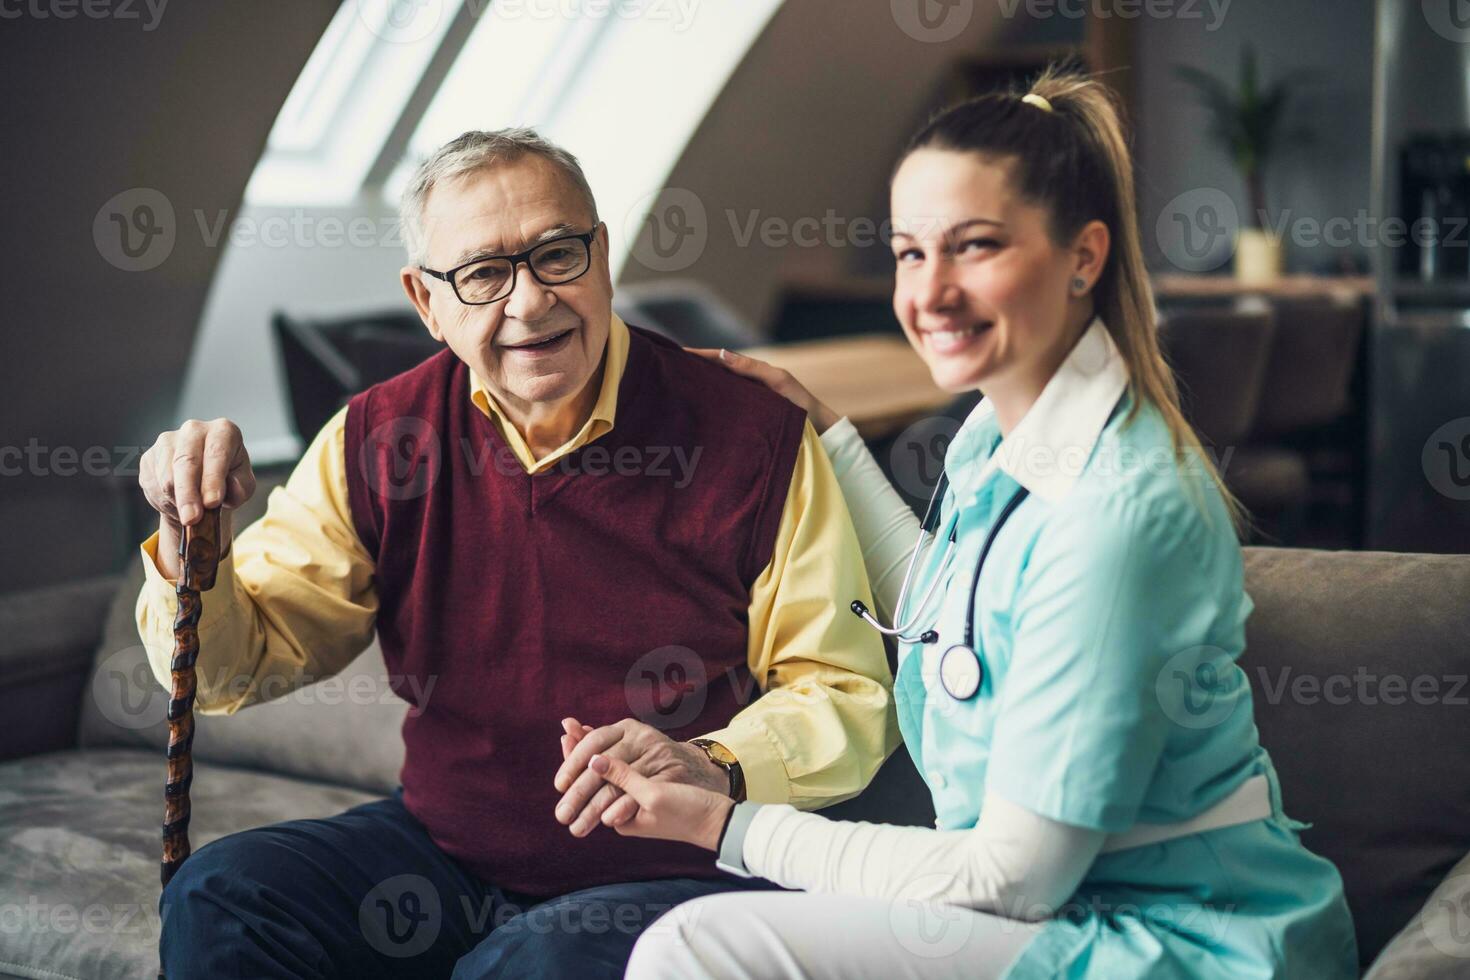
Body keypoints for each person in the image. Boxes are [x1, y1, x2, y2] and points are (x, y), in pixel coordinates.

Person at [563, 69, 1360, 978]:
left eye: (974, 247)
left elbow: (1010, 878)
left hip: (1185, 943)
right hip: (1068, 912)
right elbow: (957, 621)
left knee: (691, 946)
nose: (930, 292)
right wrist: (825, 437)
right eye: (908, 253)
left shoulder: (1118, 517)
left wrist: (728, 826)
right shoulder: (1001, 432)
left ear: (1083, 257)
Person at [134, 128, 900, 979]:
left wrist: (712, 762)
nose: (530, 303)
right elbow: (233, 668)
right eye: (483, 275)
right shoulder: (376, 437)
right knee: (222, 893)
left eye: (556, 255)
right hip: (447, 852)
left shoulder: (750, 433)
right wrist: (188, 546)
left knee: (528, 963)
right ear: (426, 301)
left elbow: (847, 690)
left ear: (602, 254)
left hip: (686, 871)